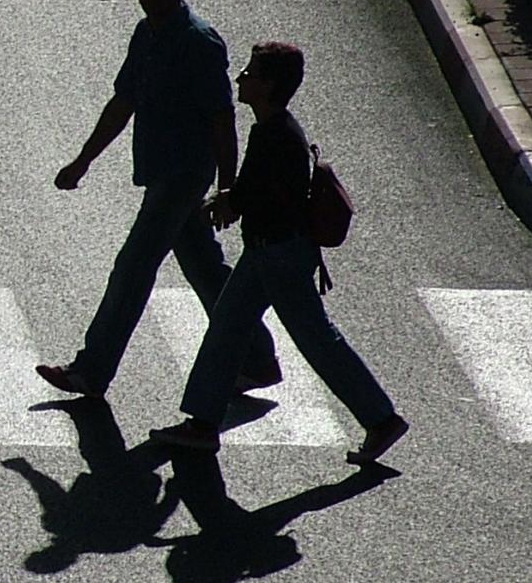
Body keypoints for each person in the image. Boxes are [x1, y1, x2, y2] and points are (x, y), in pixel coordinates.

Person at [148, 42, 409, 464]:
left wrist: (229, 203)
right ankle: (202, 424)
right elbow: (259, 190)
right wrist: (229, 201)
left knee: (316, 340)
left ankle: (381, 418)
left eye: (250, 73)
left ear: (268, 85)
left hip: (279, 255)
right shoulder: (275, 129)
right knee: (227, 329)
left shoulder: (275, 136)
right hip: (266, 253)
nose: (240, 78)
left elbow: (265, 195)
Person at [37, 0, 281, 397]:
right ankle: (257, 357)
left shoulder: (199, 43)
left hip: (183, 178)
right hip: (159, 173)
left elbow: (222, 118)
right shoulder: (145, 33)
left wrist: (228, 187)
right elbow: (123, 102)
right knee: (205, 269)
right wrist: (83, 160)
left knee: (133, 268)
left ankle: (92, 370)